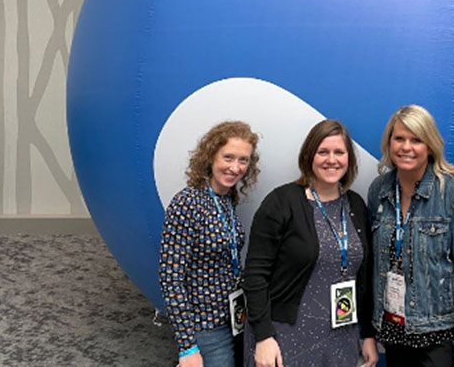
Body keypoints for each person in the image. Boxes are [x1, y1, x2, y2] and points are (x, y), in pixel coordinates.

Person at [242, 120, 378, 367]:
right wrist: (263, 336)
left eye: (339, 152)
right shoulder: (281, 202)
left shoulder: (355, 205)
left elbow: (364, 278)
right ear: (308, 156)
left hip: (340, 336)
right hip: (285, 337)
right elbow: (255, 275)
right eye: (322, 152)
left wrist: (367, 333)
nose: (331, 160)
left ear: (349, 159)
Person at [367, 105, 454, 367]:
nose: (406, 147)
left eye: (416, 140)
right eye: (399, 138)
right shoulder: (379, 190)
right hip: (393, 329)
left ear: (430, 146)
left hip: (439, 336)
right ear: (389, 143)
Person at [159, 121, 261, 367]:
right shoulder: (187, 203)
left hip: (233, 318)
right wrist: (187, 346)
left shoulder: (227, 199)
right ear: (211, 156)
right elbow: (170, 278)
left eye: (243, 160)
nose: (235, 167)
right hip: (205, 328)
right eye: (228, 157)